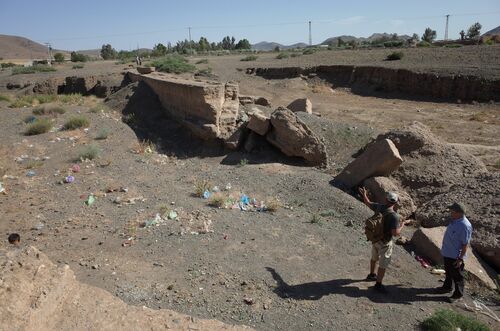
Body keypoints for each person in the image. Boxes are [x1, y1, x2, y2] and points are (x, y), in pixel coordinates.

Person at [359, 187, 409, 293]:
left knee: (374, 257)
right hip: (385, 242)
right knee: (383, 264)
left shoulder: (379, 207)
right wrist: (402, 225)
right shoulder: (394, 216)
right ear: (395, 202)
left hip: (375, 238)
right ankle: (378, 284)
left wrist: (364, 194)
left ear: (386, 199)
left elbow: (367, 202)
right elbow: (395, 233)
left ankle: (371, 274)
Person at [436, 202, 472, 303]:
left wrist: (460, 258)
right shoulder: (454, 220)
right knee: (448, 272)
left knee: (457, 276)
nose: (450, 212)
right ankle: (447, 287)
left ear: (459, 213)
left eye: (452, 211)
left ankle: (458, 294)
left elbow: (465, 244)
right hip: (448, 252)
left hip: (455, 256)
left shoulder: (465, 226)